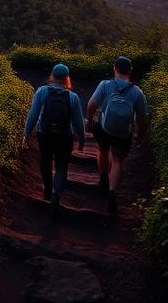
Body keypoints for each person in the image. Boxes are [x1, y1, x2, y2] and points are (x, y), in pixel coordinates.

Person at [86, 56, 149, 216]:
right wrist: (139, 136)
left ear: (114, 67)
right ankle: (112, 193)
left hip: (104, 129)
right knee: (118, 161)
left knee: (102, 150)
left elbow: (91, 105)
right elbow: (143, 119)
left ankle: (103, 179)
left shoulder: (105, 85)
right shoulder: (137, 92)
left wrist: (90, 120)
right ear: (130, 71)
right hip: (123, 134)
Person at [23, 63, 85, 216]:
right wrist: (82, 139)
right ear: (66, 78)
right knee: (62, 167)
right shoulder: (73, 97)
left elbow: (33, 114)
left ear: (52, 75)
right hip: (65, 136)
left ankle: (47, 190)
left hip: (45, 135)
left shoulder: (42, 92)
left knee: (45, 162)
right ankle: (56, 194)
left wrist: (27, 133)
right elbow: (78, 122)